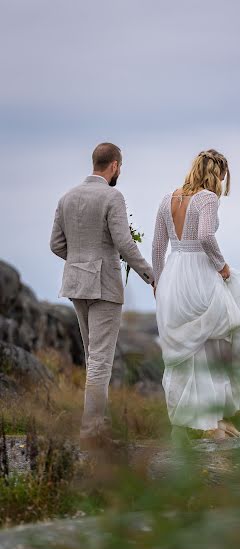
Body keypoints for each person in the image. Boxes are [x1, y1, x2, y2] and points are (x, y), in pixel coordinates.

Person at [50, 142, 154, 451]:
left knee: (91, 356)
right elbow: (124, 242)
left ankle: (96, 426)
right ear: (115, 166)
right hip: (104, 287)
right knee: (99, 362)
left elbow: (56, 244)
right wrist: (151, 275)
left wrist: (80, 262)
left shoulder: (66, 197)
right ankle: (92, 431)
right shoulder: (112, 196)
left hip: (75, 285)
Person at [152, 149, 240, 442]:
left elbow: (158, 247)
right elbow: (205, 237)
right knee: (218, 340)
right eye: (223, 178)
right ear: (217, 174)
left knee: (186, 349)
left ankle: (200, 420)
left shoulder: (167, 199)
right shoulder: (207, 199)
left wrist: (158, 285)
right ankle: (211, 420)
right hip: (199, 271)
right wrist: (222, 267)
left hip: (173, 275)